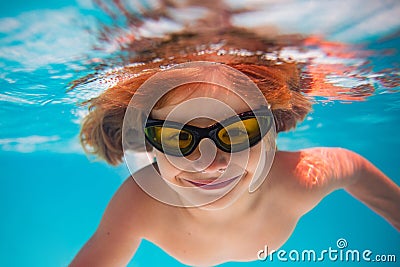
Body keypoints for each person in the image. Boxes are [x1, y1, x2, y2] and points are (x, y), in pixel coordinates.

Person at [70, 29, 400, 266]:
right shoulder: (139, 204)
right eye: (179, 138)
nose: (210, 163)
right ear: (149, 144)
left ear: (271, 129)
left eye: (239, 132)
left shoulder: (300, 178)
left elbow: (352, 168)